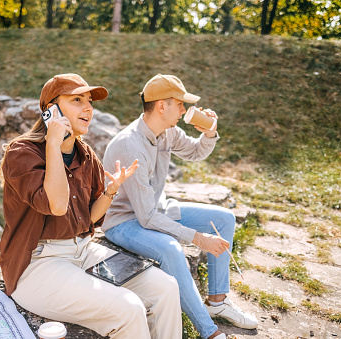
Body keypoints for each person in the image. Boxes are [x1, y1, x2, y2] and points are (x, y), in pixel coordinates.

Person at [0, 73, 184, 339]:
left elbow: (89, 220)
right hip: (37, 264)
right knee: (128, 308)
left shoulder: (86, 156)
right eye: (77, 100)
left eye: (89, 101)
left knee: (165, 287)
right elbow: (58, 205)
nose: (88, 108)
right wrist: (53, 142)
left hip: (83, 250)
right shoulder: (22, 153)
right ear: (51, 109)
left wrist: (111, 190)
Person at [102, 74, 258, 339]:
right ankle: (209, 332)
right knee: (173, 249)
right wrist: (197, 239)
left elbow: (196, 153)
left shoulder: (167, 132)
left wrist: (209, 132)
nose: (185, 110)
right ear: (162, 106)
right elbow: (146, 217)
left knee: (225, 219)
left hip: (158, 208)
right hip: (124, 222)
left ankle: (217, 302)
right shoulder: (130, 145)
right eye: (180, 104)